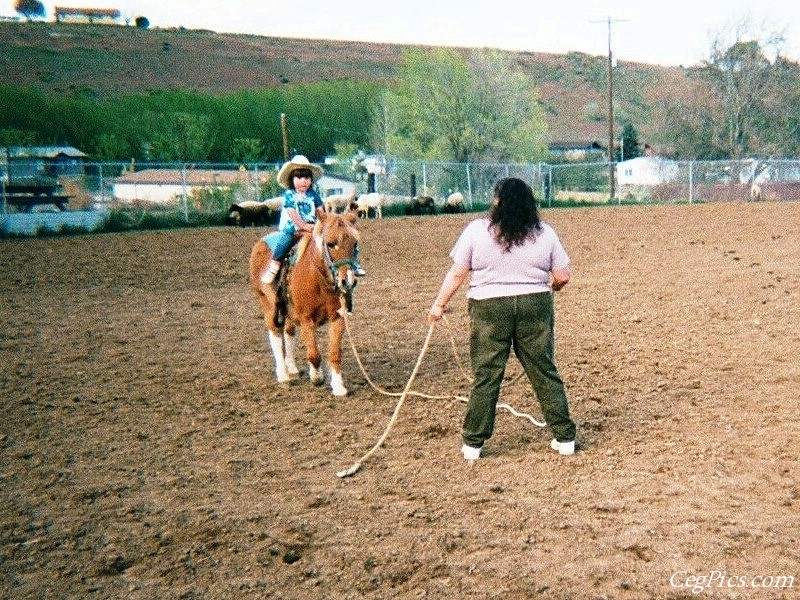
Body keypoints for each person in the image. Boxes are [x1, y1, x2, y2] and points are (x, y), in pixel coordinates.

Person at [427, 177, 577, 460]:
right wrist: (552, 287)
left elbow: (458, 273)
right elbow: (562, 276)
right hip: (535, 304)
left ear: (496, 201)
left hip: (488, 307)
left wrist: (439, 304)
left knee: (487, 375)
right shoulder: (545, 232)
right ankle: (565, 437)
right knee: (543, 370)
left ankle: (473, 443)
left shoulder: (475, 230)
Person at [261, 155, 365, 285]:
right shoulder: (290, 195)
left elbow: (320, 210)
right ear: (291, 179)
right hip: (293, 228)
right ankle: (274, 265)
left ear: (311, 180)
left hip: (312, 227)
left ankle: (351, 264)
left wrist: (325, 222)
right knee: (285, 242)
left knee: (339, 240)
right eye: (298, 177)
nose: (303, 181)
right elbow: (291, 212)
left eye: (306, 177)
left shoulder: (313, 195)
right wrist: (303, 225)